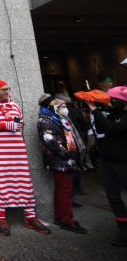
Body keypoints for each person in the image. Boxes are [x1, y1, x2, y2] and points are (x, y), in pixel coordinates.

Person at [0, 80, 50, 236]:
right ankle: (1, 218)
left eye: (8, 89)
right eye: (4, 90)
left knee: (24, 182)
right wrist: (5, 125)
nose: (7, 92)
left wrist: (16, 124)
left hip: (18, 152)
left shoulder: (14, 105)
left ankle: (30, 217)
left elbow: (20, 122)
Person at [37, 94, 87, 234]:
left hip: (64, 161)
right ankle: (67, 220)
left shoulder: (56, 118)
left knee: (62, 190)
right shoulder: (45, 120)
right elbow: (50, 141)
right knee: (65, 191)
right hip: (60, 160)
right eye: (55, 102)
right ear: (48, 105)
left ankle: (61, 217)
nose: (59, 105)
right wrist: (68, 152)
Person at [87, 86, 127, 247]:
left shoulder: (124, 117)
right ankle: (124, 230)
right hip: (108, 162)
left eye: (114, 99)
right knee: (113, 197)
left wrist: (95, 110)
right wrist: (97, 112)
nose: (111, 102)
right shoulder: (113, 114)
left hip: (124, 163)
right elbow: (103, 128)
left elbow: (114, 128)